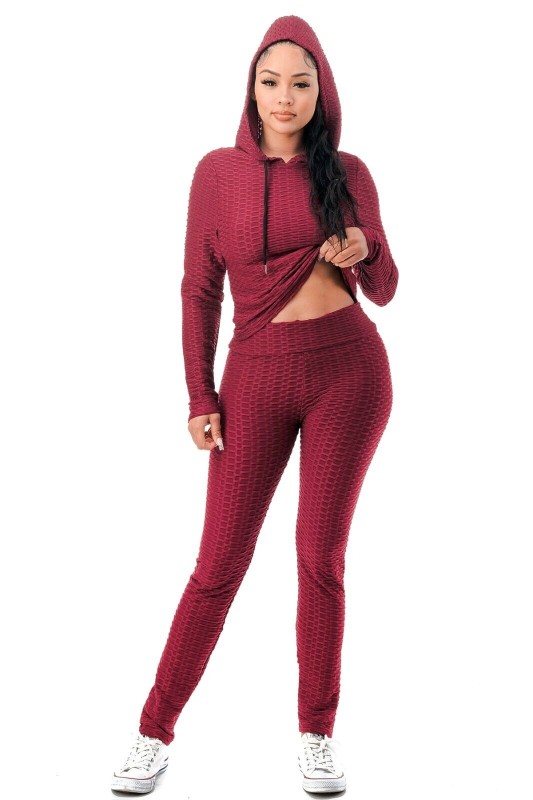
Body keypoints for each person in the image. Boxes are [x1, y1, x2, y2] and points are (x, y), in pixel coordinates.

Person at [111, 14, 398, 796]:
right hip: (255, 379)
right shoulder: (216, 174)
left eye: (300, 83)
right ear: (250, 88)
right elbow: (198, 290)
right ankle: (152, 732)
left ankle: (316, 736)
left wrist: (365, 248)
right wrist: (198, 393)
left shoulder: (348, 172)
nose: (284, 97)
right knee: (217, 566)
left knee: (318, 558)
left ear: (320, 92)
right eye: (270, 82)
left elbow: (384, 289)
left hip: (349, 373)